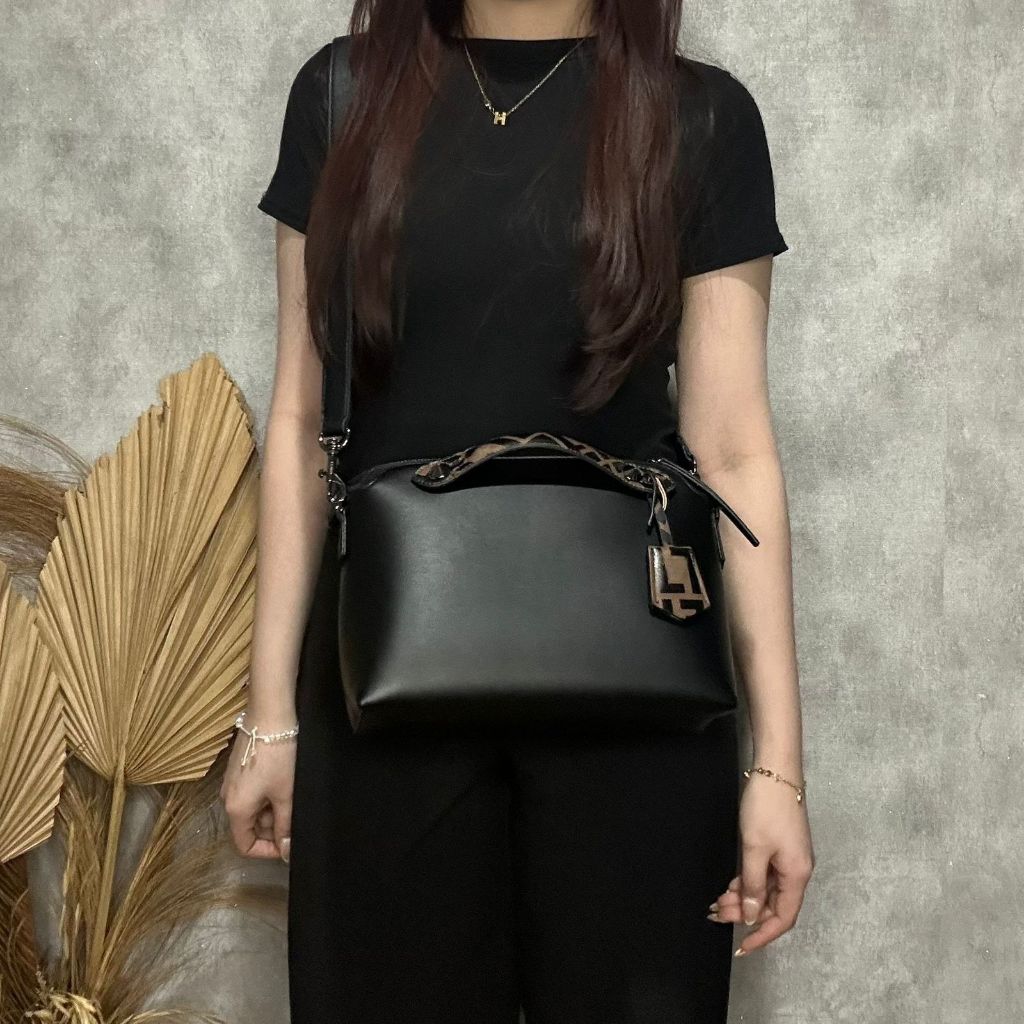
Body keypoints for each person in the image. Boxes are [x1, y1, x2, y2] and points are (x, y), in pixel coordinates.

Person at [220, 2, 814, 1021]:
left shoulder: (698, 117)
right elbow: (303, 419)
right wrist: (269, 713)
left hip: (637, 701)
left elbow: (732, 451)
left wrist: (778, 766)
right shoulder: (343, 96)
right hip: (383, 693)